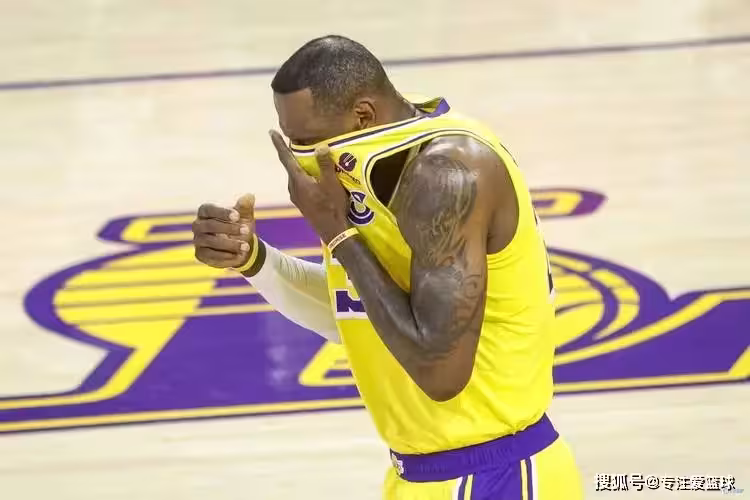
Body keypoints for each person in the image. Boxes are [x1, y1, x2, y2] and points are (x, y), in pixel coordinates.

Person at [192, 35, 583, 500]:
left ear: (363, 115)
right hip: (416, 471)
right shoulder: (369, 168)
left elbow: (440, 373)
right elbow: (361, 315)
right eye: (290, 141)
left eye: (306, 141)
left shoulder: (447, 174)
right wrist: (255, 260)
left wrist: (339, 235)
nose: (300, 159)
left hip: (494, 475)